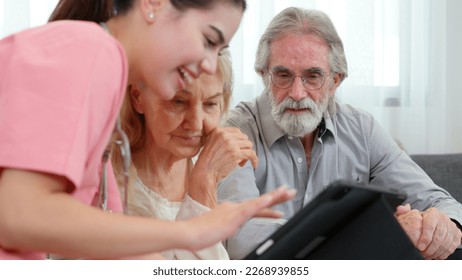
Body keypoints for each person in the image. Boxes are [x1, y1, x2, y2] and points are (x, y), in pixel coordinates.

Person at [0, 0, 296, 260]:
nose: (208, 65)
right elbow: (16, 216)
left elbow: (111, 248)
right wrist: (189, 232)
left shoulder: (102, 73)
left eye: (220, 50)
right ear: (153, 4)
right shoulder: (92, 49)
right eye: (207, 39)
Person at [217, 7, 462, 260]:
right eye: (283, 75)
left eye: (313, 77)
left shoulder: (362, 129)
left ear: (335, 81)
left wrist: (443, 227)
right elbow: (243, 241)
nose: (297, 93)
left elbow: (440, 202)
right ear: (263, 75)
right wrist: (375, 236)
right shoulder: (236, 132)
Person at [111, 50, 262, 259]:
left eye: (210, 104)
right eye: (178, 102)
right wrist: (202, 188)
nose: (196, 123)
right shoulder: (106, 181)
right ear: (138, 97)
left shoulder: (219, 164)